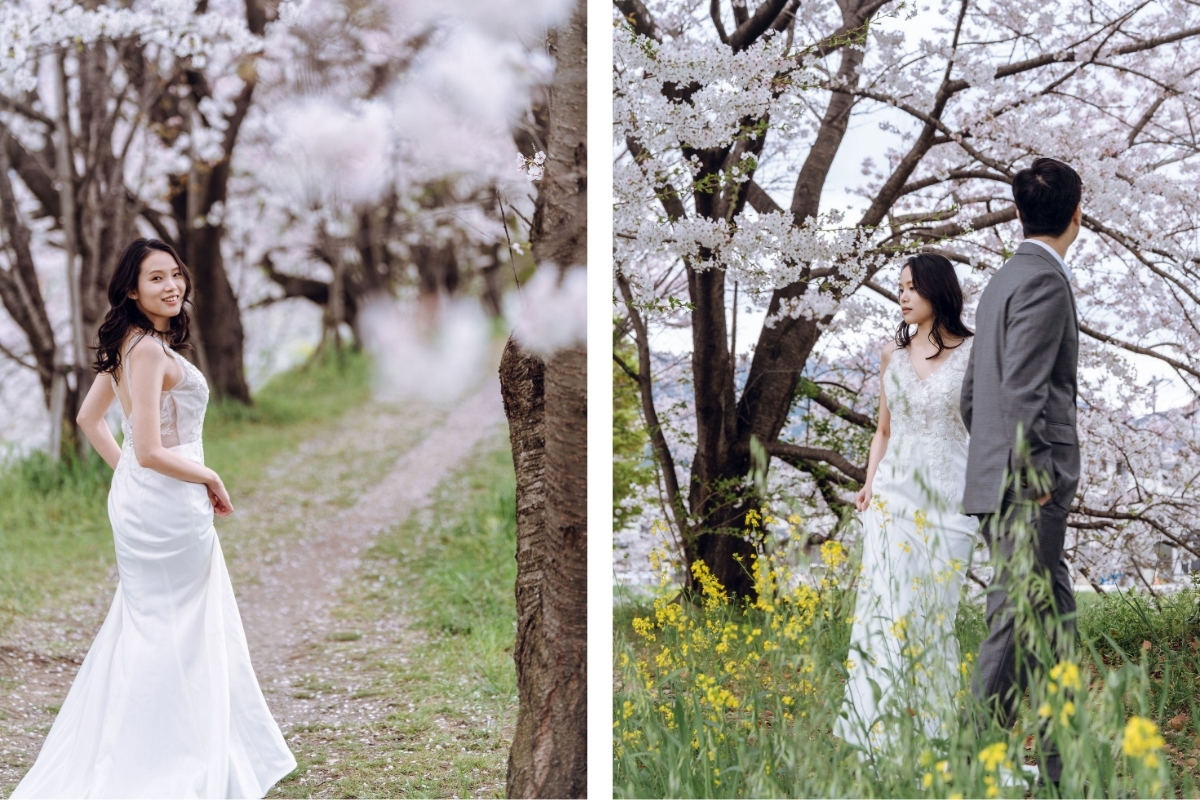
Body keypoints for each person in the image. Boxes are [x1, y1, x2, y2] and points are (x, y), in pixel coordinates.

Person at [12, 239, 296, 798]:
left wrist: (132, 479)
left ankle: (170, 749)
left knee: (159, 627)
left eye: (175, 276)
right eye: (156, 279)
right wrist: (206, 477)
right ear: (132, 290)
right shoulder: (143, 349)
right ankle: (163, 763)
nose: (171, 287)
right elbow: (145, 449)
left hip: (153, 499)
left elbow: (90, 420)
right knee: (172, 631)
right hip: (165, 505)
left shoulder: (135, 341)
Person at [960, 157, 1082, 788]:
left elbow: (973, 399)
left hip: (999, 478)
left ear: (1016, 211)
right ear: (1076, 214)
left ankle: (1066, 771)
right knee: (1013, 620)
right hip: (1028, 488)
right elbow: (1029, 389)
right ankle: (967, 762)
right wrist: (1038, 474)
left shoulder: (1002, 281)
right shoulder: (1043, 282)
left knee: (1057, 634)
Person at [836, 252, 976, 754]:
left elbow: (984, 432)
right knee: (886, 610)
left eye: (912, 287)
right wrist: (869, 482)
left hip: (950, 499)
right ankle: (879, 732)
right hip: (893, 497)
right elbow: (883, 430)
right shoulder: (890, 353)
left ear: (938, 291)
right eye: (899, 287)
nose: (902, 295)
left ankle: (933, 730)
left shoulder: (974, 353)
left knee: (933, 614)